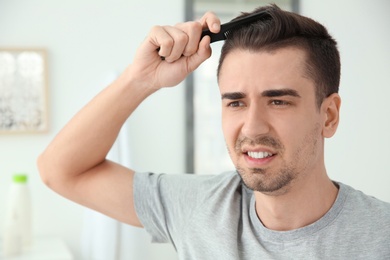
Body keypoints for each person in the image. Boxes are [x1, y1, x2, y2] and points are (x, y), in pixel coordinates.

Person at [37, 4, 390, 259]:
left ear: (328, 116)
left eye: (278, 101)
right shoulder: (198, 208)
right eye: (235, 103)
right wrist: (139, 80)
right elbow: (60, 171)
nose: (252, 127)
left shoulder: (381, 237)